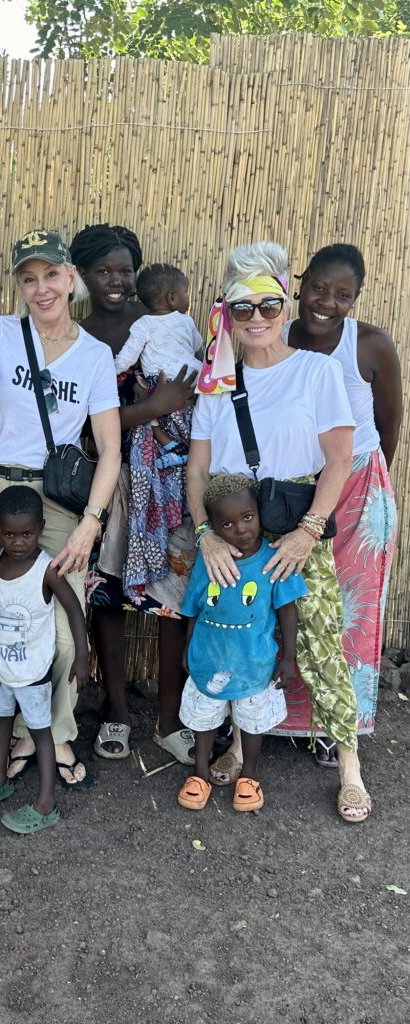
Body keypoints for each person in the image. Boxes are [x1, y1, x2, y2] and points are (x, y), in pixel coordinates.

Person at [187, 241, 372, 824]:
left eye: (268, 305)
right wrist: (203, 535)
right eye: (243, 308)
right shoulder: (216, 384)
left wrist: (308, 532)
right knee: (244, 637)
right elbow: (197, 468)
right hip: (237, 539)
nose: (259, 320)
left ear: (285, 301)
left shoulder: (317, 371)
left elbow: (338, 459)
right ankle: (242, 746)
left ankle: (350, 766)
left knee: (319, 643)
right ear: (227, 314)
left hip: (296, 530)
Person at [0, 229, 122, 788]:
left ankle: (53, 738)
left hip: (56, 504)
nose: (41, 289)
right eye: (28, 279)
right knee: (8, 625)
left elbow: (109, 451)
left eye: (51, 275)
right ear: (18, 286)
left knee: (58, 634)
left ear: (71, 278)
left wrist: (89, 524)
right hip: (1, 499)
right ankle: (20, 735)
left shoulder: (95, 356)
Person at [71, 224, 199, 764]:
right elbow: (77, 424)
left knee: (174, 593)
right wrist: (151, 408)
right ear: (80, 275)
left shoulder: (164, 326)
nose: (116, 281)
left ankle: (170, 718)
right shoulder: (73, 337)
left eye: (125, 270)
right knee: (108, 597)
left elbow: (197, 391)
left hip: (168, 481)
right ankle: (117, 712)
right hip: (104, 482)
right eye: (104, 271)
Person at [278, 244, 402, 764]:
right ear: (300, 284)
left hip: (357, 488)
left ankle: (338, 724)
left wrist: (367, 484)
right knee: (296, 602)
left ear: (356, 299)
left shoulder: (370, 345)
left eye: (342, 295)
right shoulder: (277, 334)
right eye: (318, 288)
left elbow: (390, 423)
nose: (326, 302)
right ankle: (280, 717)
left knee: (351, 611)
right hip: (296, 484)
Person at [0, 486, 90, 833]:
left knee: (41, 732)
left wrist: (82, 656)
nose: (18, 542)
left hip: (32, 672)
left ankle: (45, 804)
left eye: (28, 534)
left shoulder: (46, 570)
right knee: (2, 722)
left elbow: (75, 611)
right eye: (9, 534)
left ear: (41, 527)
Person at [176, 475, 307, 812]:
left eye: (248, 517)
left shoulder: (274, 560)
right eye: (227, 523)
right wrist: (189, 646)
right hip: (210, 659)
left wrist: (288, 658)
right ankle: (200, 774)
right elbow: (193, 607)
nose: (241, 529)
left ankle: (249, 775)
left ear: (259, 512)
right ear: (214, 528)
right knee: (205, 719)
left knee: (251, 722)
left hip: (255, 665)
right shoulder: (210, 560)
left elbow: (287, 609)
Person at [113, 264, 203, 608]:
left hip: (154, 390)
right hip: (189, 392)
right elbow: (198, 353)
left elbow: (124, 361)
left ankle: (153, 535)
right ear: (172, 297)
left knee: (149, 472)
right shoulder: (188, 323)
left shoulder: (142, 325)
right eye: (185, 294)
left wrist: (110, 374)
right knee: (188, 459)